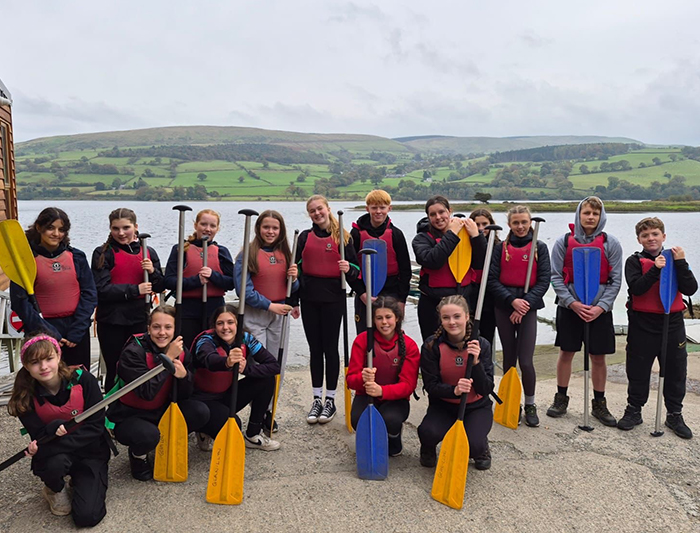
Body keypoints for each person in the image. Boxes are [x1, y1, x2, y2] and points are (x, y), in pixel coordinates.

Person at [7, 334, 110, 527]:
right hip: (58, 456)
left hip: (90, 451)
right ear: (26, 367)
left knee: (87, 517)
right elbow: (40, 436)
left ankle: (80, 480)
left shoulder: (84, 380)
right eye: (35, 362)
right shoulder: (25, 397)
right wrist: (49, 435)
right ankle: (54, 488)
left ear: (58, 356)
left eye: (49, 359)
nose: (44, 367)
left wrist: (45, 448)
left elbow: (95, 426)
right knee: (54, 464)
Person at [106, 305, 209, 481]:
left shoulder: (181, 350)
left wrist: (184, 377)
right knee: (149, 436)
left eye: (168, 327)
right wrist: (167, 360)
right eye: (156, 327)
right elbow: (146, 392)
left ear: (175, 329)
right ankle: (138, 455)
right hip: (131, 415)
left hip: (162, 409)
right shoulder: (133, 351)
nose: (162, 332)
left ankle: (167, 442)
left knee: (200, 412)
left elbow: (186, 394)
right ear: (148, 328)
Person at [617, 217, 697, 438]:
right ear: (639, 239)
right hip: (642, 324)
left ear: (663, 236)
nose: (650, 238)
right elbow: (637, 288)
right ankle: (634, 410)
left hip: (672, 323)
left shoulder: (676, 259)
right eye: (645, 235)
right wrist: (655, 269)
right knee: (638, 369)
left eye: (655, 234)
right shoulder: (634, 261)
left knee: (676, 370)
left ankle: (674, 414)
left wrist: (680, 263)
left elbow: (690, 288)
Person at [547, 196, 622, 426]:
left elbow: (616, 281)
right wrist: (572, 303)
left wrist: (601, 307)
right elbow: (555, 277)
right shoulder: (563, 242)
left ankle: (599, 403)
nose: (590, 217)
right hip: (570, 309)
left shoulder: (611, 244)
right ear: (579, 214)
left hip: (599, 311)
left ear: (601, 216)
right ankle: (561, 398)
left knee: (598, 357)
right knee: (566, 353)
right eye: (586, 213)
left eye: (595, 214)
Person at [293, 195, 365, 424]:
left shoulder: (343, 237)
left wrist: (352, 273)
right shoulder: (304, 237)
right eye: (312, 210)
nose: (317, 213)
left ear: (328, 209)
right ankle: (316, 399)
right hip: (309, 298)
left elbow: (355, 270)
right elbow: (296, 271)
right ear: (309, 214)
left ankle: (330, 400)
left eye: (320, 209)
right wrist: (293, 301)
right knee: (315, 349)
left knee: (331, 349)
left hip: (334, 299)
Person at [233, 210, 299, 434]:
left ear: (281, 230)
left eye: (275, 228)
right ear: (258, 228)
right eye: (266, 227)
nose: (270, 231)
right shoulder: (247, 254)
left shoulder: (286, 254)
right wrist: (270, 305)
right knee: (259, 366)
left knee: (277, 364)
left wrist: (294, 279)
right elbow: (243, 291)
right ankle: (257, 411)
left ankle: (268, 410)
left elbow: (293, 289)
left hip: (279, 315)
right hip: (256, 314)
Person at [487, 206, 551, 427]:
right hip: (504, 306)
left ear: (530, 222)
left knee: (525, 360)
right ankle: (511, 401)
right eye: (516, 223)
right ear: (509, 225)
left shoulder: (539, 248)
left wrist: (524, 305)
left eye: (524, 222)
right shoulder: (500, 249)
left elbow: (544, 281)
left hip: (528, 307)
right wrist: (512, 302)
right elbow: (492, 280)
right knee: (509, 358)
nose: (520, 226)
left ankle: (530, 404)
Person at [10, 207, 97, 368]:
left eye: (61, 230)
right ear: (39, 227)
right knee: (46, 376)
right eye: (50, 228)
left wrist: (78, 329)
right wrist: (48, 332)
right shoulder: (24, 262)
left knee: (78, 377)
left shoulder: (77, 257)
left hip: (75, 330)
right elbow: (20, 303)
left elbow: (90, 294)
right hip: (41, 329)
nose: (56, 234)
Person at [91, 208, 166, 392]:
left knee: (137, 366)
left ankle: (135, 404)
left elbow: (159, 286)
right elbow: (101, 289)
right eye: (116, 228)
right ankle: (112, 406)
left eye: (126, 227)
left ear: (135, 227)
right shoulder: (102, 253)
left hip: (139, 319)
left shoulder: (148, 252)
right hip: (111, 321)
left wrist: (152, 272)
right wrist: (135, 290)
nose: (121, 233)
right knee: (115, 367)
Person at [417, 295, 494, 470]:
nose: (452, 322)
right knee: (427, 432)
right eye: (446, 317)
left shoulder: (482, 345)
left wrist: (476, 364)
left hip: (476, 406)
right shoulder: (431, 346)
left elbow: (486, 388)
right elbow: (431, 386)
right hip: (443, 406)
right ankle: (428, 447)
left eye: (457, 316)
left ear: (467, 316)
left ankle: (481, 446)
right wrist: (455, 391)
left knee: (474, 446)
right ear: (441, 320)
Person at [191, 305, 282, 452]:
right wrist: (227, 362)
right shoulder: (205, 340)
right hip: (203, 401)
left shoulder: (246, 338)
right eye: (220, 323)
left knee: (267, 379)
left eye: (230, 322)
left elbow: (274, 366)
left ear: (237, 324)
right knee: (235, 426)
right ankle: (204, 430)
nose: (225, 327)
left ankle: (253, 434)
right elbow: (209, 359)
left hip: (226, 396)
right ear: (214, 325)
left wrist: (247, 369)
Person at [346, 296, 420, 456]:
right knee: (357, 420)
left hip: (395, 399)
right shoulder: (362, 341)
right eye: (379, 318)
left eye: (388, 317)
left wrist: (381, 391)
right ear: (373, 320)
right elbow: (350, 380)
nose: (384, 322)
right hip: (366, 395)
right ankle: (371, 439)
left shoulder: (409, 345)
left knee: (390, 420)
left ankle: (393, 437)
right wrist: (362, 378)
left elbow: (408, 386)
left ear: (397, 318)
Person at [413, 196, 486, 342]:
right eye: (433, 214)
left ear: (449, 211)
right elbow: (433, 260)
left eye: (441, 212)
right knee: (432, 346)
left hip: (462, 302)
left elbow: (480, 262)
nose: (438, 217)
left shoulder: (466, 235)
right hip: (432, 304)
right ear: (428, 217)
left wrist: (477, 237)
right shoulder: (421, 239)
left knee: (465, 346)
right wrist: (451, 234)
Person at [164, 209, 234, 349]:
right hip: (187, 310)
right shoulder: (180, 249)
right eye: (203, 224)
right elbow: (169, 281)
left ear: (217, 229)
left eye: (212, 226)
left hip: (214, 310)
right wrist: (196, 281)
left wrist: (213, 276)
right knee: (188, 349)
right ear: (196, 225)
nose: (208, 229)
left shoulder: (222, 251)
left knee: (212, 350)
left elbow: (232, 283)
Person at [350, 190, 412, 334]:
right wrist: (362, 293)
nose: (378, 211)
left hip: (391, 293)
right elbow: (351, 268)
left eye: (382, 207)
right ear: (367, 209)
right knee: (365, 335)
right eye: (374, 207)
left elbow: (405, 270)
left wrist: (401, 300)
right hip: (364, 292)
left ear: (389, 208)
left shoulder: (396, 234)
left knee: (390, 335)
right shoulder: (356, 234)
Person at [468, 208, 500, 346]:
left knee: (487, 337)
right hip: (470, 295)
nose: (481, 228)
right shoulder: (465, 245)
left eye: (485, 224)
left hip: (489, 297)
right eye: (477, 224)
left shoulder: (498, 246)